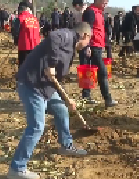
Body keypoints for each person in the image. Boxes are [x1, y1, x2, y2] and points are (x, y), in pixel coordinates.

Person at [7, 23, 91, 179]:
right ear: (85, 36)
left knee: (61, 109)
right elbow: (52, 37)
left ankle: (66, 145)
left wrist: (67, 98)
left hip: (46, 86)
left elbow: (56, 78)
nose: (88, 45)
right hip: (32, 84)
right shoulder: (67, 35)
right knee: (37, 126)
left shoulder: (71, 47)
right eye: (89, 41)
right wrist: (51, 64)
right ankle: (17, 168)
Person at [81, 0, 118, 107]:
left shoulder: (99, 13)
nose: (106, 3)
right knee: (102, 71)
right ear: (97, 0)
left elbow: (100, 30)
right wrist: (86, 46)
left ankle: (86, 97)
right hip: (92, 46)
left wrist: (107, 44)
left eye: (107, 1)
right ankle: (108, 99)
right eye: (104, 1)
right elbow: (87, 29)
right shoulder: (90, 12)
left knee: (89, 71)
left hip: (98, 45)